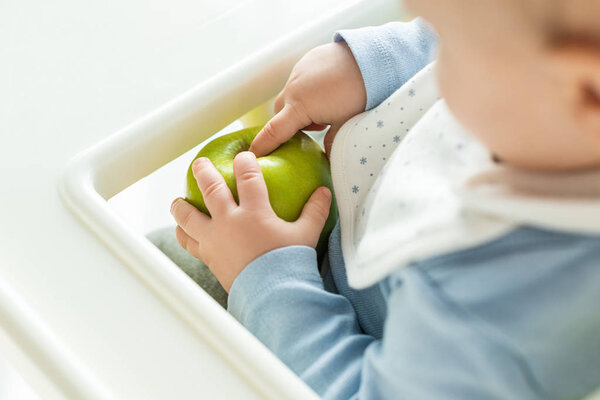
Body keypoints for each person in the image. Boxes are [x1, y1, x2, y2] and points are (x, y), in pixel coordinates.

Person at [167, 0, 600, 398]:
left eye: (450, 46)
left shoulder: (496, 310)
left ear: (587, 92)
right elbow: (489, 27)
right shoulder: (545, 90)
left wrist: (266, 279)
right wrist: (378, 62)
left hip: (312, 337)